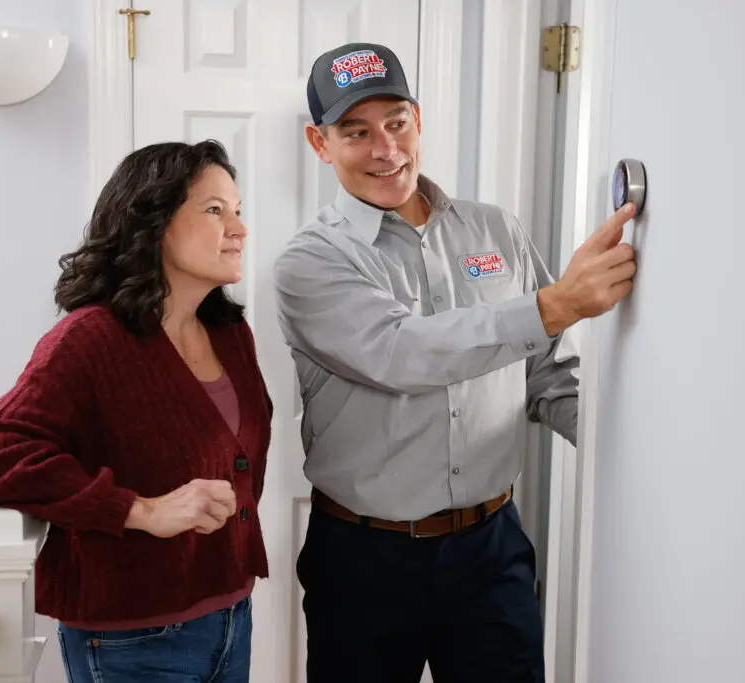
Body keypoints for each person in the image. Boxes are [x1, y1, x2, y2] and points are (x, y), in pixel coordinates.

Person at [272, 42, 638, 682]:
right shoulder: (309, 263)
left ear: (418, 118)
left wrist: (643, 459)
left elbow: (551, 375)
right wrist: (555, 305)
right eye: (356, 132)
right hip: (364, 559)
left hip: (491, 549)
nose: (386, 149)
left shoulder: (496, 231)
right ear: (319, 143)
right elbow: (401, 352)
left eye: (396, 123)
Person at [0, 140, 273, 683]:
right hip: (131, 641)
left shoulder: (231, 334)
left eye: (238, 210)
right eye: (214, 210)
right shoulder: (89, 339)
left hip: (232, 617)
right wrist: (140, 510)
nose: (238, 228)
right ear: (153, 220)